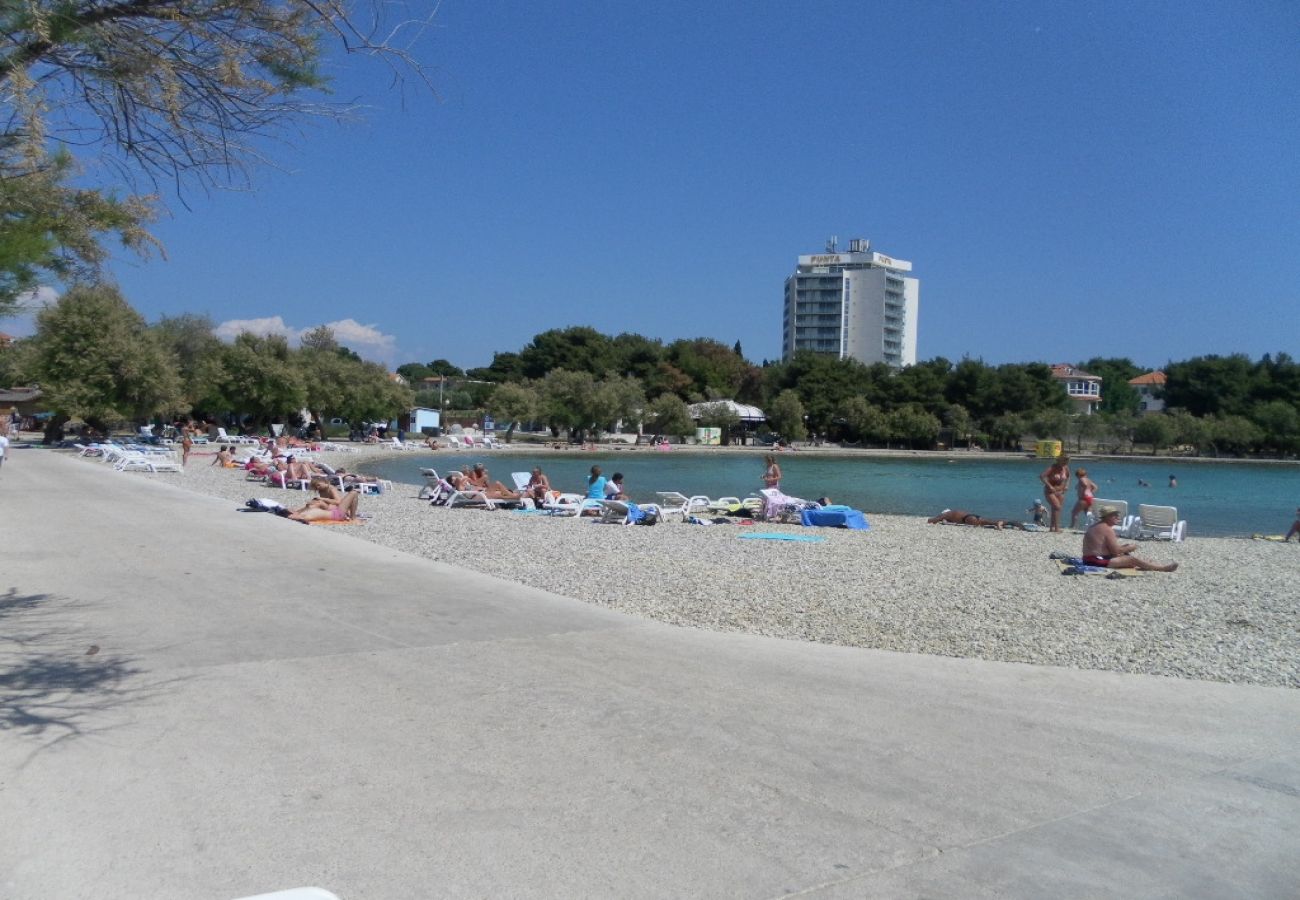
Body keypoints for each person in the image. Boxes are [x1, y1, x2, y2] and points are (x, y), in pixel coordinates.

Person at [1082, 505, 1177, 571]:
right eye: (1114, 515)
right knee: (1131, 559)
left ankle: (1147, 564)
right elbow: (1115, 551)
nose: (1117, 517)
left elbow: (1107, 548)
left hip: (1089, 559)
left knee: (1127, 557)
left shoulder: (1096, 526)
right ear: (1108, 517)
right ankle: (1162, 568)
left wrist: (1124, 548)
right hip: (1096, 561)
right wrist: (1131, 547)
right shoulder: (1107, 529)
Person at [289, 487, 360, 523]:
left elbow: (295, 513)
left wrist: (294, 512)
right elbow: (296, 517)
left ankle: (351, 516)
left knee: (354, 494)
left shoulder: (306, 511)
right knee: (354, 493)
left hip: (336, 512)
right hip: (337, 514)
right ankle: (353, 518)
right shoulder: (306, 516)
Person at [1039, 453, 1070, 532]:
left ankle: (1051, 528)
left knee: (1055, 509)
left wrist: (1066, 485)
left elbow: (1068, 477)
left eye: (1067, 461)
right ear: (1059, 460)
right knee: (1057, 507)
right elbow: (1042, 476)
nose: (1065, 462)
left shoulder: (1066, 468)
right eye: (1064, 461)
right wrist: (1050, 486)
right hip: (1050, 491)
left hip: (1061, 491)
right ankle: (1057, 528)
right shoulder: (1053, 467)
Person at [928, 509, 1006, 529]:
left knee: (984, 522)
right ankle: (1002, 523)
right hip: (970, 516)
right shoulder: (953, 512)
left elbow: (934, 520)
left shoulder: (946, 514)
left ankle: (997, 523)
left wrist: (931, 519)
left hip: (967, 519)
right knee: (984, 522)